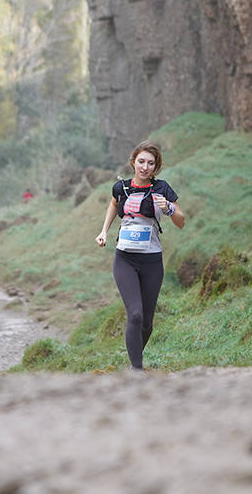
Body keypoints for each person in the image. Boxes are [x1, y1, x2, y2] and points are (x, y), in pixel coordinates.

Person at [95, 141, 185, 372]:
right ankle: (137, 370)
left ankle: (135, 360)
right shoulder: (121, 188)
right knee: (134, 315)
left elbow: (181, 221)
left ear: (156, 167)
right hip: (125, 259)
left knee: (146, 323)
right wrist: (104, 231)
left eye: (151, 163)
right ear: (133, 162)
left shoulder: (162, 189)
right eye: (141, 161)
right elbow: (113, 205)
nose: (145, 167)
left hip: (152, 262)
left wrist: (169, 209)